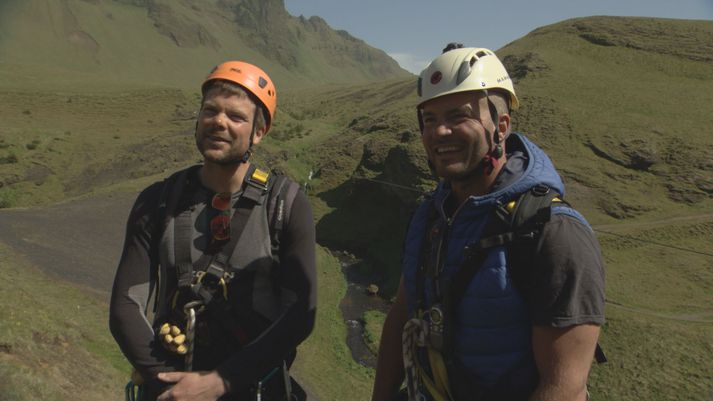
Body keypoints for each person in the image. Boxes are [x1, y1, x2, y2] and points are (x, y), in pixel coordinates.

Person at [371, 44, 605, 401]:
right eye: (429, 120)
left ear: (501, 126)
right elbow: (403, 311)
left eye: (457, 116)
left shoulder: (551, 232)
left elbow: (563, 389)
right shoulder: (432, 214)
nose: (440, 132)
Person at [110, 60, 317, 401]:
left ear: (258, 133)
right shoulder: (157, 201)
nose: (219, 122)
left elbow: (299, 315)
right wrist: (170, 386)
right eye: (210, 110)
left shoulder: (286, 205)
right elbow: (124, 306)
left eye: (236, 116)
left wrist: (220, 382)